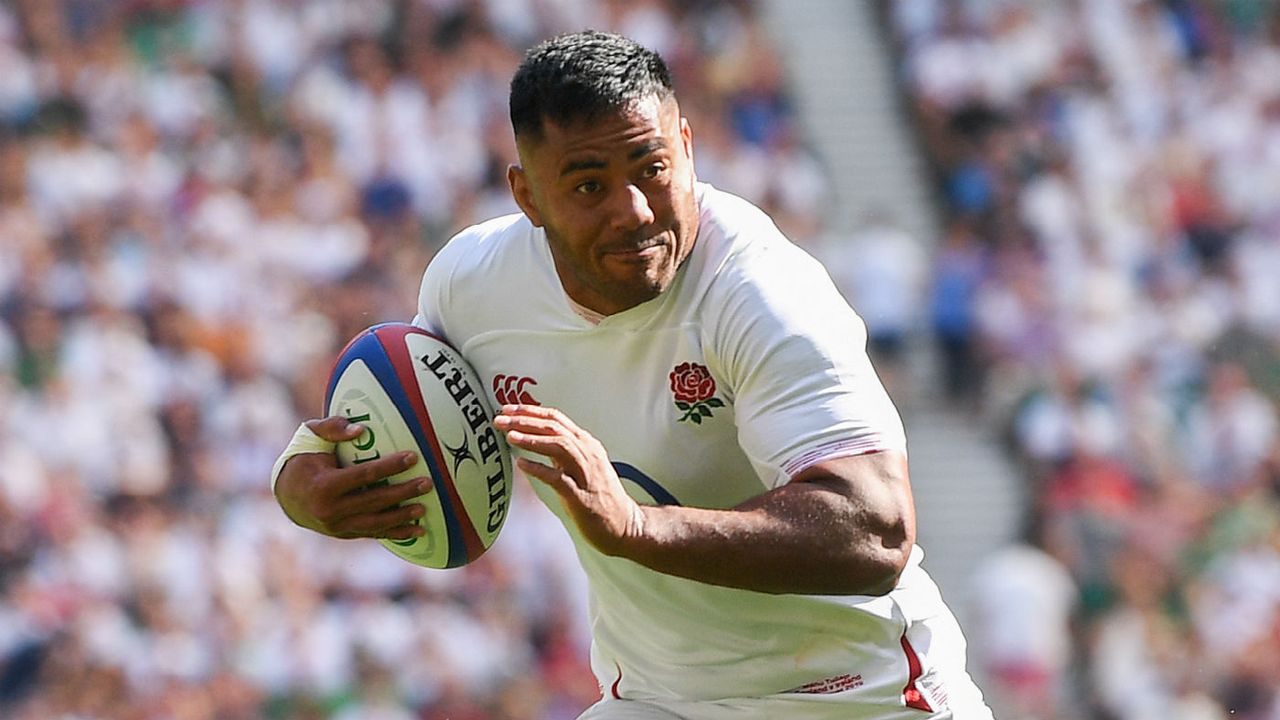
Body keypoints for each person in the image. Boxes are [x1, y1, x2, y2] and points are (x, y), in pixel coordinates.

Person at [272, 30, 993, 719]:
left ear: (686, 147)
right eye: (589, 186)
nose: (635, 211)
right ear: (526, 197)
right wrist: (304, 484)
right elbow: (401, 404)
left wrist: (637, 527)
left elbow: (875, 531)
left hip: (857, 698)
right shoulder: (471, 288)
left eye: (652, 168)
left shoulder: (760, 292)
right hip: (658, 699)